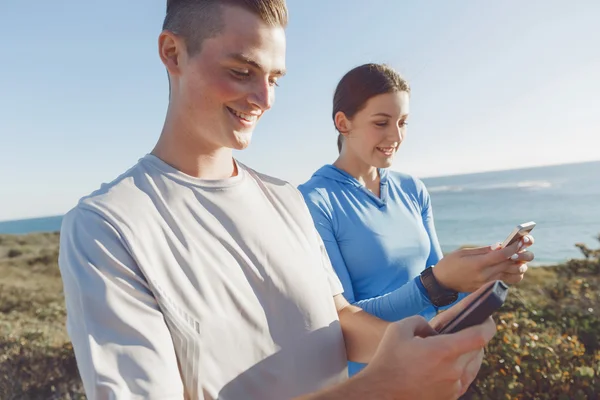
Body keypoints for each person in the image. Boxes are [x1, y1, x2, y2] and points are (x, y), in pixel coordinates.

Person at [58, 2, 503, 399]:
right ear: (172, 53)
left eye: (274, 78)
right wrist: (381, 386)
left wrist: (421, 347)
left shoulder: (286, 198)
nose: (265, 99)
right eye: (241, 71)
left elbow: (338, 321)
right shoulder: (106, 227)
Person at [298, 63, 535, 375]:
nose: (396, 136)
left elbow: (443, 293)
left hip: (431, 365)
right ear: (343, 123)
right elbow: (341, 320)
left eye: (403, 122)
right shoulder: (313, 201)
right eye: (381, 122)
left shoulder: (412, 189)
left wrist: (485, 270)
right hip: (370, 380)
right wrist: (433, 284)